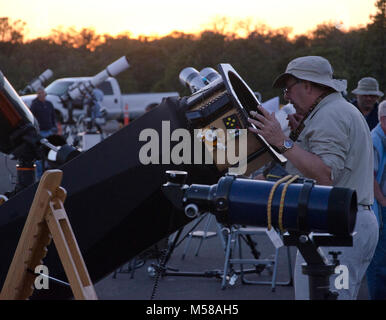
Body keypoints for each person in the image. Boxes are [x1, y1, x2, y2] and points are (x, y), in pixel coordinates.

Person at [248, 56, 379, 300]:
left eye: (288, 88)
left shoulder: (331, 114)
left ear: (308, 85)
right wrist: (298, 137)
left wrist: (283, 141)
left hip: (342, 227)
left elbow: (324, 174)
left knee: (332, 296)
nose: (286, 96)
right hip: (344, 223)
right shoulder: (333, 110)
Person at [367, 100, 386, 300]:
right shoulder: (374, 140)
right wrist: (382, 200)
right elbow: (370, 176)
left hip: (380, 205)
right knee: (378, 260)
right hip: (378, 208)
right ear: (383, 120)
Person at [30, 87, 57, 179]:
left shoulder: (49, 104)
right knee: (40, 155)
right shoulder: (34, 105)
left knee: (49, 154)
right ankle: (39, 176)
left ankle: (49, 174)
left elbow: (53, 116)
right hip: (40, 132)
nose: (41, 95)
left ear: (45, 94)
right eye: (39, 93)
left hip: (49, 131)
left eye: (42, 93)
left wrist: (54, 127)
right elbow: (32, 119)